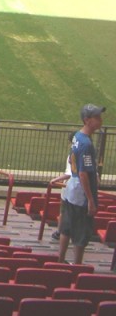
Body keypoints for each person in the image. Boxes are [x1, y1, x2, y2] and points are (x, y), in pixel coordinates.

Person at [58, 103, 105, 264]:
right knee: (81, 231)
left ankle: (60, 260)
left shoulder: (78, 136)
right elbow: (84, 172)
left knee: (66, 227)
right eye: (97, 117)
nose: (100, 120)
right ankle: (77, 266)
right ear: (87, 120)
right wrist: (91, 200)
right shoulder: (86, 144)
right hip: (81, 193)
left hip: (72, 188)